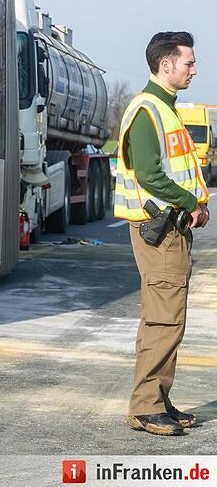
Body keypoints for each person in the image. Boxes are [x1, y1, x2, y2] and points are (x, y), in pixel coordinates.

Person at [114, 31, 209, 436]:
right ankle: (145, 405)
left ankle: (158, 398)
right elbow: (150, 174)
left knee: (169, 318)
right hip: (160, 229)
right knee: (163, 319)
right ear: (165, 65)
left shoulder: (164, 109)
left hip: (172, 228)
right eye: (188, 62)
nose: (194, 69)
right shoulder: (147, 110)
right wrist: (191, 203)